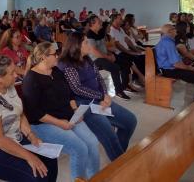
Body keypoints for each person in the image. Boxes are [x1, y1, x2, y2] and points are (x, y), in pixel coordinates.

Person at [0, 56, 58, 182]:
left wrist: (31, 135)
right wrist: (29, 156)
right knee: (37, 175)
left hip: (13, 139)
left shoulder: (9, 87)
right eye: (12, 73)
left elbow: (19, 114)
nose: (16, 75)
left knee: (50, 159)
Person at [23, 42, 100, 180]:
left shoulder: (56, 71)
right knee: (79, 148)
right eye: (54, 54)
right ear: (43, 57)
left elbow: (70, 94)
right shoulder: (31, 79)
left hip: (69, 116)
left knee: (92, 142)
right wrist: (59, 123)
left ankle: (95, 178)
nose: (58, 56)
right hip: (44, 123)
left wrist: (76, 110)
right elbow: (34, 113)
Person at [58, 33, 137, 161]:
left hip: (99, 99)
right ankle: (120, 163)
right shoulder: (67, 64)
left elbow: (99, 77)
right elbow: (77, 88)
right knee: (109, 135)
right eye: (85, 42)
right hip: (84, 105)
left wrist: (105, 95)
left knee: (130, 121)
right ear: (76, 46)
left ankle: (119, 159)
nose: (89, 44)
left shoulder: (86, 58)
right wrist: (100, 96)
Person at [155, 24, 194, 101]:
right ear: (170, 32)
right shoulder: (168, 43)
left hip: (174, 68)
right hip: (170, 70)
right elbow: (176, 64)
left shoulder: (167, 41)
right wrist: (190, 68)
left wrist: (190, 65)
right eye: (174, 29)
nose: (176, 30)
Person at [86, 16, 130, 100]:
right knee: (115, 68)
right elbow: (94, 51)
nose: (101, 24)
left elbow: (104, 47)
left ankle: (124, 86)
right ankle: (119, 91)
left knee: (125, 62)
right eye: (99, 23)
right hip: (95, 59)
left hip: (104, 55)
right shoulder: (89, 35)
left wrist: (110, 54)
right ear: (92, 24)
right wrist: (108, 57)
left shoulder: (100, 32)